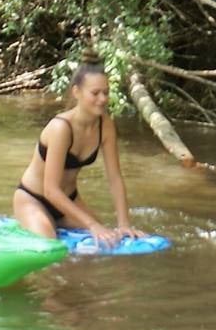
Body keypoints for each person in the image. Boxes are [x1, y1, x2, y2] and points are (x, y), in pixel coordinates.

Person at [12, 59, 133, 248]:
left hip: (69, 200)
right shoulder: (61, 128)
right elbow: (50, 190)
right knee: (49, 249)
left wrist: (124, 224)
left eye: (106, 92)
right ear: (76, 92)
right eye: (95, 93)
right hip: (34, 199)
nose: (102, 99)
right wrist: (91, 224)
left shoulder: (106, 125)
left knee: (109, 240)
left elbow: (115, 178)